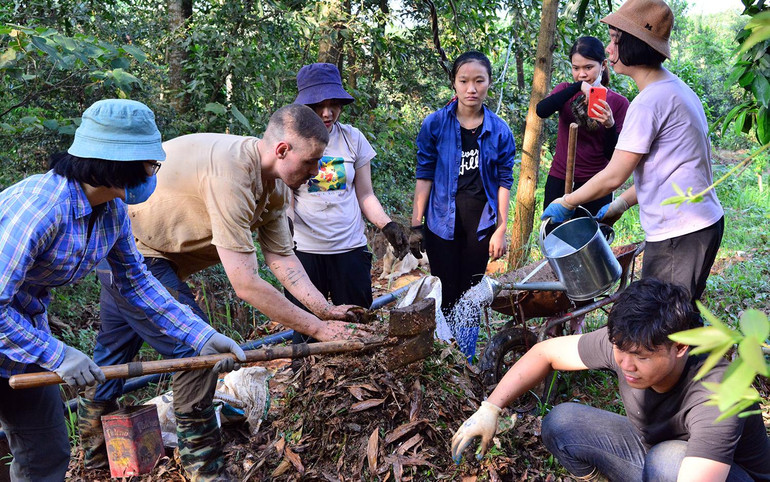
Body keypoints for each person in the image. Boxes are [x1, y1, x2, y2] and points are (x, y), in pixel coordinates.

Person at [78, 104, 375, 481]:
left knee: (112, 355)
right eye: (312, 162)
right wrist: (317, 331)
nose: (318, 172)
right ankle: (205, 468)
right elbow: (246, 284)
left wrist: (324, 312)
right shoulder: (232, 174)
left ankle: (94, 456)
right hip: (132, 253)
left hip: (152, 254)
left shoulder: (276, 186)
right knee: (196, 346)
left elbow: (282, 259)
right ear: (282, 150)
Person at [0, 99, 245, 481]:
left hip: (21, 342)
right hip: (18, 333)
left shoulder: (111, 213)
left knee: (46, 451)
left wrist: (201, 337)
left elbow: (137, 282)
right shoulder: (40, 210)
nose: (154, 174)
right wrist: (59, 353)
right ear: (119, 164)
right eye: (151, 165)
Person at [451, 278, 770, 481]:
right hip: (654, 456)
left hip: (716, 473)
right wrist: (490, 408)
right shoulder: (629, 342)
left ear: (680, 347)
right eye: (619, 349)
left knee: (666, 460)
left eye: (642, 357)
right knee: (563, 422)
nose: (626, 365)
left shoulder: (718, 393)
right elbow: (545, 353)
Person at [541, 0, 724, 303]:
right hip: (699, 225)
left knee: (664, 326)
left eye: (615, 40)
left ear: (635, 45)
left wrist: (567, 201)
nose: (609, 50)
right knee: (679, 317)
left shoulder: (649, 101)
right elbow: (669, 168)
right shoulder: (675, 89)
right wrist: (622, 204)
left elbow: (614, 175)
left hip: (680, 232)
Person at [287, 63, 409, 338]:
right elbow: (288, 197)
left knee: (358, 324)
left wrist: (387, 225)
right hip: (306, 252)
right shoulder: (291, 143)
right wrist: (286, 228)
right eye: (319, 105)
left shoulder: (353, 139)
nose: (327, 113)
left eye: (334, 105)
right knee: (306, 330)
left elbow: (365, 194)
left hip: (349, 249)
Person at [409, 51, 516, 359]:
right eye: (464, 81)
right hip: (442, 221)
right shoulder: (435, 125)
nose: (472, 88)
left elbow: (503, 181)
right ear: (453, 84)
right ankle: (445, 358)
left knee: (470, 296)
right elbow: (425, 173)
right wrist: (417, 224)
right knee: (444, 291)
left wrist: (501, 228)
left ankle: (466, 359)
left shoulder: (499, 131)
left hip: (480, 225)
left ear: (488, 84)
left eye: (479, 81)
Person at [536, 36, 629, 216]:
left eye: (588, 67)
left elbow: (613, 155)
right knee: (554, 238)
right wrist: (577, 87)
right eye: (576, 68)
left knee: (590, 241)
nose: (582, 74)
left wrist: (610, 125)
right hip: (560, 178)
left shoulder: (619, 103)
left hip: (596, 184)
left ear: (602, 65)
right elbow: (541, 110)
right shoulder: (565, 90)